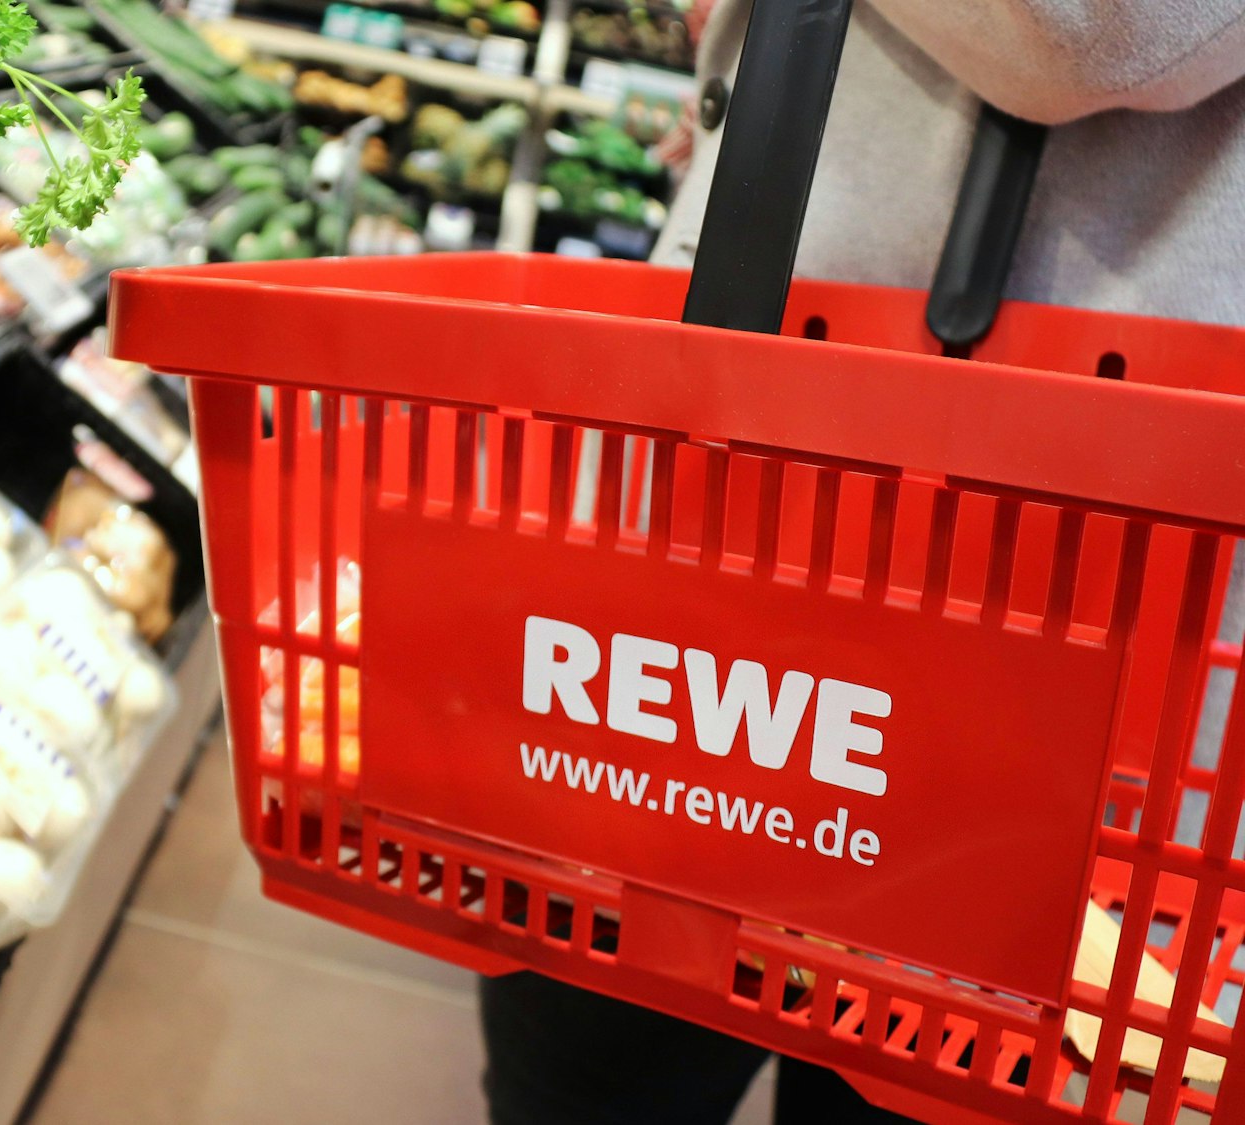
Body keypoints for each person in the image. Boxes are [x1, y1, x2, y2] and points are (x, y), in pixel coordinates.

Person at [482, 1, 1245, 1120]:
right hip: (751, 455)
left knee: (908, 1049)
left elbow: (1107, 27)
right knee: (585, 1042)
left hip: (1045, 531)